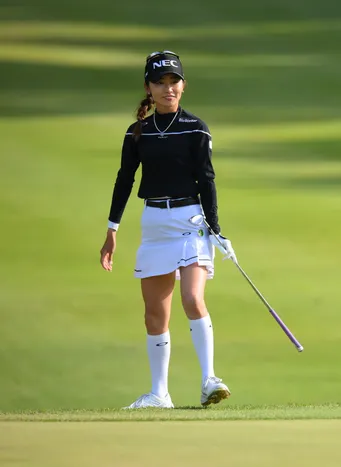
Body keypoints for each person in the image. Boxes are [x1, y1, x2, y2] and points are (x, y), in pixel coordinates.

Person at [99, 50, 235, 409]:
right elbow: (124, 180)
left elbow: (207, 180)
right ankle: (160, 394)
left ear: (183, 85)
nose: (168, 88)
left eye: (174, 81)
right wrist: (112, 229)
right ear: (148, 88)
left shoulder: (195, 128)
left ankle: (209, 379)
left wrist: (216, 228)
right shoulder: (138, 132)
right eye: (160, 82)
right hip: (155, 224)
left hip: (191, 221)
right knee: (154, 314)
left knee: (192, 298)